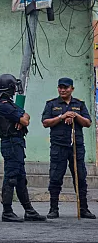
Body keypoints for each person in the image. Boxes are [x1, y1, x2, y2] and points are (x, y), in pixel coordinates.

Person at [0, 74, 46, 223]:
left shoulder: (7, 102)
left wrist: (23, 118)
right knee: (11, 177)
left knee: (20, 178)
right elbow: (25, 120)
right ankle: (7, 211)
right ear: (11, 87)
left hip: (17, 143)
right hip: (11, 143)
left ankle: (29, 210)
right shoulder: (3, 105)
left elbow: (26, 116)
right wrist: (22, 119)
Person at [41, 77, 95, 219]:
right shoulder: (52, 104)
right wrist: (62, 116)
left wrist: (75, 115)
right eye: (60, 87)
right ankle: (53, 209)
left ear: (72, 89)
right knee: (55, 178)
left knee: (80, 177)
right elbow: (45, 122)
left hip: (76, 146)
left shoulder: (79, 104)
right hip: (59, 146)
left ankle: (83, 208)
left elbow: (88, 123)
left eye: (66, 88)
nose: (63, 90)